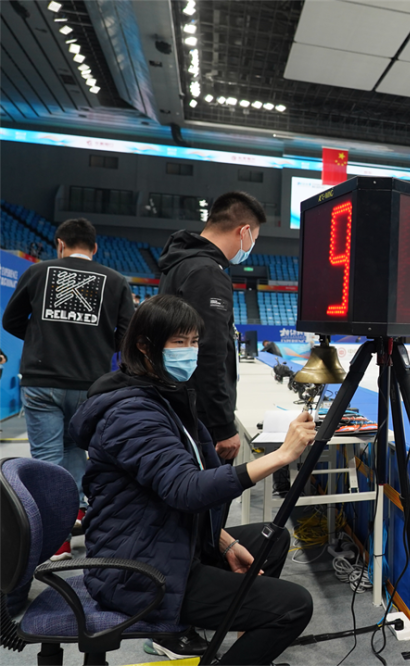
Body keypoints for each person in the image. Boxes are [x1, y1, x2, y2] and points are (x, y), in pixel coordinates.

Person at [69, 295, 315, 665]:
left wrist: (227, 542)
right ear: (145, 346)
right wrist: (281, 456)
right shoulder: (131, 412)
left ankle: (245, 636)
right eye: (178, 342)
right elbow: (186, 490)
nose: (189, 351)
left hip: (165, 538)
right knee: (294, 606)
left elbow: (163, 492)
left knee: (272, 539)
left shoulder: (163, 397)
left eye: (194, 342)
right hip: (137, 570)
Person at [2, 218, 134, 561]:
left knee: (47, 460)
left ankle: (55, 542)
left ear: (60, 243)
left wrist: (39, 338)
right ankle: (74, 518)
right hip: (90, 384)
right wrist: (102, 347)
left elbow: (10, 320)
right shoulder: (116, 281)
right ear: (95, 248)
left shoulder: (39, 272)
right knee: (77, 451)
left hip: (41, 380)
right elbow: (128, 333)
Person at [158, 192, 266, 462]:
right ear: (243, 232)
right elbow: (209, 351)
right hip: (201, 415)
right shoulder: (207, 274)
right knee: (208, 495)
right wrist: (223, 426)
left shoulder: (179, 265)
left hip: (178, 402)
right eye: (254, 237)